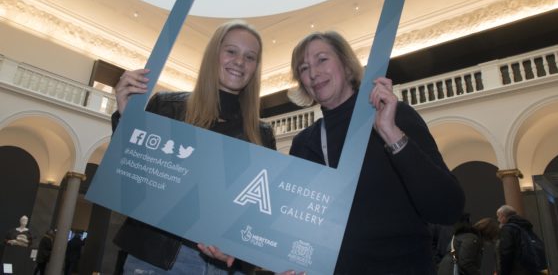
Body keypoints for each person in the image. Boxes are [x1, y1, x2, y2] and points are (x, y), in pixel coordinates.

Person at [287, 31, 465, 274]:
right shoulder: (304, 144)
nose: (314, 73)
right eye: (304, 68)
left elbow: (448, 207)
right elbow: (296, 225)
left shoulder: (396, 117)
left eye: (322, 60)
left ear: (347, 66)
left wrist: (391, 133)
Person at [111, 20, 276, 274]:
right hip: (155, 259)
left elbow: (256, 218)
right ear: (214, 54)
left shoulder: (262, 135)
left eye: (250, 57)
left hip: (222, 268)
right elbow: (129, 180)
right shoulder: (166, 107)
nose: (240, 62)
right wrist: (127, 120)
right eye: (231, 51)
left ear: (256, 67)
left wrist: (237, 248)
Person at [496, 205, 547, 275]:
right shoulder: (525, 226)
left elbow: (507, 252)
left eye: (498, 217)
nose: (498, 220)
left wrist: (503, 272)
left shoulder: (508, 229)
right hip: (535, 269)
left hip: (518, 270)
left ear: (503, 216)